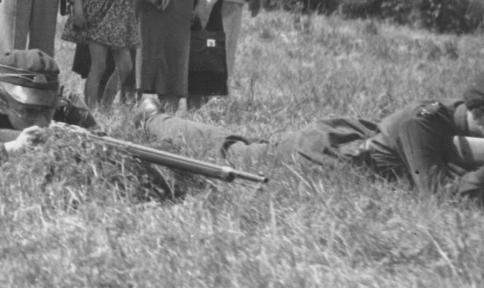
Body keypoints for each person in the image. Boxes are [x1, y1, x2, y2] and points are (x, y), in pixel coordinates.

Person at [142, 79, 484, 206]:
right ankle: (153, 120)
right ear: (478, 116)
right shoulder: (421, 122)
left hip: (337, 141)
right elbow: (440, 196)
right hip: (321, 153)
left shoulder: (451, 119)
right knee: (237, 151)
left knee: (251, 145)